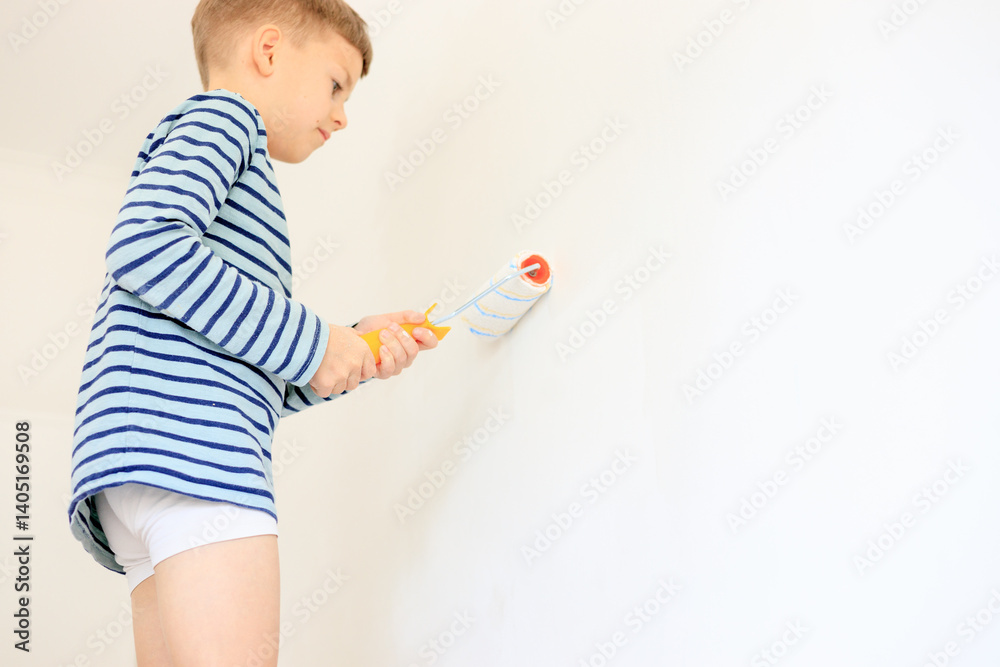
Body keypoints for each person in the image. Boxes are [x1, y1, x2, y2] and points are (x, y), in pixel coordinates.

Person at [66, 1, 434, 664]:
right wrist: (316, 342)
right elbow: (144, 244)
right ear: (268, 53)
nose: (343, 114)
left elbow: (239, 361)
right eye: (335, 84)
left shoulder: (224, 161)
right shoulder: (227, 117)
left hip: (138, 468)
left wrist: (353, 346)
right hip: (194, 453)